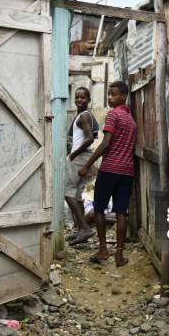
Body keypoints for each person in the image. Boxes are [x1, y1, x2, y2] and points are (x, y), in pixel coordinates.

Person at [79, 81, 137, 267]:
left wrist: (88, 164)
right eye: (109, 94)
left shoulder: (113, 115)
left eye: (113, 94)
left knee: (99, 209)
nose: (110, 97)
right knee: (121, 212)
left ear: (124, 96)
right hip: (127, 172)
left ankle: (103, 249)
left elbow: (105, 143)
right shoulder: (131, 120)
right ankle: (119, 256)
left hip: (110, 169)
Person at [65, 87, 100, 245]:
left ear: (89, 100)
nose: (79, 100)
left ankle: (85, 228)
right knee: (77, 195)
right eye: (77, 97)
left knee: (67, 193)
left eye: (83, 98)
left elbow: (90, 139)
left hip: (79, 157)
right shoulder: (85, 115)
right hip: (84, 157)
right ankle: (81, 230)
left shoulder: (84, 116)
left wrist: (73, 155)